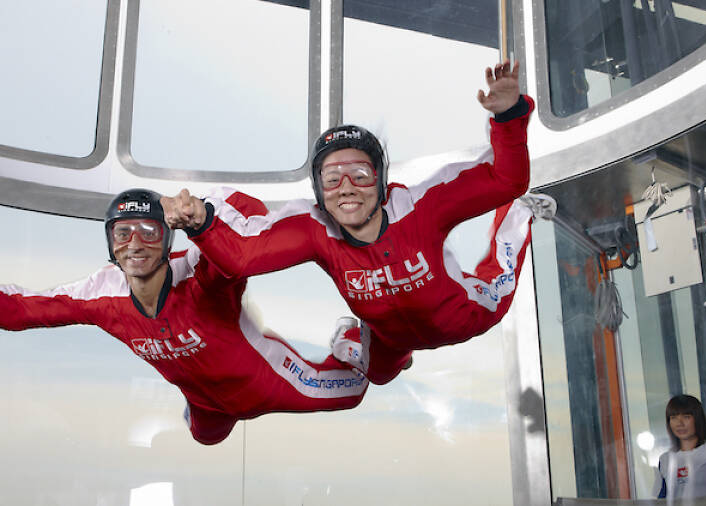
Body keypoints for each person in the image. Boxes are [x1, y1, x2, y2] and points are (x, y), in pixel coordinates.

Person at [163, 60, 548, 385]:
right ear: (319, 191)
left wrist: (508, 116)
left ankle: (518, 214)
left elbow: (505, 179)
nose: (347, 188)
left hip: (463, 316)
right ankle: (358, 337)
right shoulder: (317, 232)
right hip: (388, 337)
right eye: (332, 178)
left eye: (360, 174)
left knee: (501, 273)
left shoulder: (420, 207)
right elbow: (244, 257)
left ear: (380, 181)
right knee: (379, 377)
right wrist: (200, 221)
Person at [0, 189, 368, 445]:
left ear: (167, 239)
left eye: (150, 231)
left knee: (353, 392)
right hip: (205, 403)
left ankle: (353, 338)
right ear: (110, 243)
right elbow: (22, 308)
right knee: (206, 437)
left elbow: (246, 235)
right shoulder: (102, 293)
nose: (135, 243)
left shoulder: (196, 273)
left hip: (268, 382)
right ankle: (203, 412)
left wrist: (203, 219)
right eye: (122, 233)